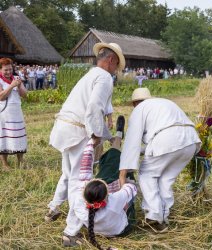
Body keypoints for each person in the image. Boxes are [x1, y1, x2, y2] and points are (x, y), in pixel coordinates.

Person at [45, 42, 125, 222]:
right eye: (116, 66)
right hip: (77, 132)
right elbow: (94, 108)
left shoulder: (90, 74)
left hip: (65, 128)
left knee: (67, 174)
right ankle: (71, 230)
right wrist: (97, 135)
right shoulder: (104, 77)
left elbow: (93, 109)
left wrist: (107, 136)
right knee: (78, 181)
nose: (115, 70)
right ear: (111, 60)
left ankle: (54, 207)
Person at [119, 88, 201, 232]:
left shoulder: (139, 109)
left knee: (147, 174)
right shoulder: (163, 103)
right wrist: (142, 151)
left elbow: (132, 142)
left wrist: (123, 172)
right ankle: (163, 217)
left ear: (135, 103)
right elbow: (161, 135)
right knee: (166, 179)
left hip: (168, 140)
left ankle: (154, 216)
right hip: (190, 140)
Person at [62, 118, 137, 248]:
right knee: (116, 162)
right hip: (120, 231)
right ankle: (118, 138)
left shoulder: (79, 203)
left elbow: (85, 170)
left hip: (95, 230)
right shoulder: (115, 200)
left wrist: (91, 144)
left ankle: (117, 141)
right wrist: (124, 174)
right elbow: (131, 188)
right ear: (108, 194)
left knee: (111, 164)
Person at [0, 58, 27, 170]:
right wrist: (11, 86)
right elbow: (1, 97)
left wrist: (19, 85)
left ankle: (20, 160)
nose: (8, 72)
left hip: (16, 113)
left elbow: (24, 95)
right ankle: (5, 164)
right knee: (4, 137)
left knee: (18, 136)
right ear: (0, 70)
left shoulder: (16, 78)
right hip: (4, 114)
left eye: (10, 69)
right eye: (6, 70)